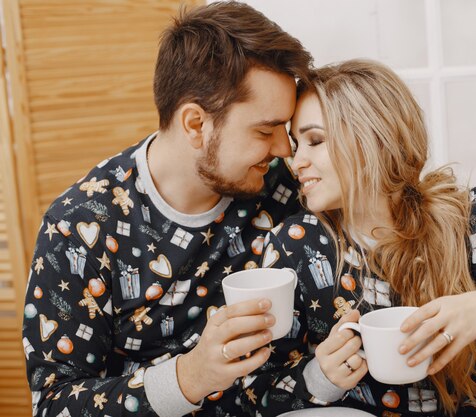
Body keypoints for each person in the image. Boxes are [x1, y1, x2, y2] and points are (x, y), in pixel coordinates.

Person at [239, 59, 476, 417]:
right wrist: (320, 376)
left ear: (371, 138)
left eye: (315, 141)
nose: (295, 161)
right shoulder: (293, 246)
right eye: (296, 143)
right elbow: (252, 391)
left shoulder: (471, 221)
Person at [22, 2, 313, 416]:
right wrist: (189, 377)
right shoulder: (77, 228)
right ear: (195, 124)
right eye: (266, 130)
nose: (285, 149)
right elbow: (53, 406)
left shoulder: (284, 186)